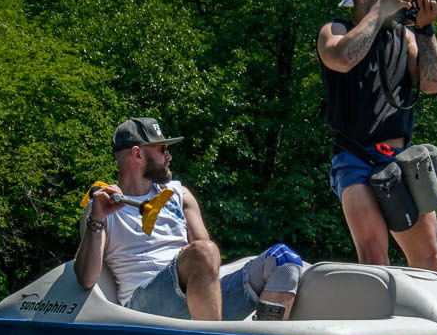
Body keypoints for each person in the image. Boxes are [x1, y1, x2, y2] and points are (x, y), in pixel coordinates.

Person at [73, 117, 305, 321]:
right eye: (162, 149)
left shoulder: (179, 195)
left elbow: (210, 262)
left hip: (195, 297)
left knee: (284, 259)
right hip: (145, 306)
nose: (169, 156)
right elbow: (86, 279)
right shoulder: (100, 207)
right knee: (202, 252)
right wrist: (98, 218)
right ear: (138, 154)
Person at [317, 0, 437, 269]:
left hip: (399, 159)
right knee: (375, 260)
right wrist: (380, 11)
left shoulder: (405, 37)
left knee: (429, 260)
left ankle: (412, 317)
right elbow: (341, 59)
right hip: (354, 157)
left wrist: (426, 29)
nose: (399, 3)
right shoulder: (334, 29)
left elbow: (432, 84)